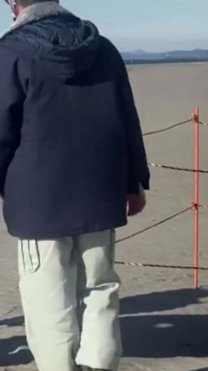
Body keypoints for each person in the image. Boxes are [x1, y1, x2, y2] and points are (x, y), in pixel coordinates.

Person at [0, 1, 150, 370]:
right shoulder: (103, 47)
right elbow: (125, 115)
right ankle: (100, 365)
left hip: (38, 198)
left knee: (47, 296)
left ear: (16, 5)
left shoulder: (11, 51)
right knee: (100, 288)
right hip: (100, 189)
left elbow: (1, 127)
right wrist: (134, 180)